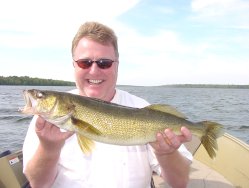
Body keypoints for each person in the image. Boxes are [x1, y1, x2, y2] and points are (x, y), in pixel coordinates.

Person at [23, 21, 193, 188]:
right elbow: (39, 184)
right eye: (85, 62)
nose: (94, 71)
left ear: (117, 65)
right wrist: (49, 149)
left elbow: (180, 183)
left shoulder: (142, 108)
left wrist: (166, 154)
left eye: (104, 63)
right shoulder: (44, 122)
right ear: (74, 65)